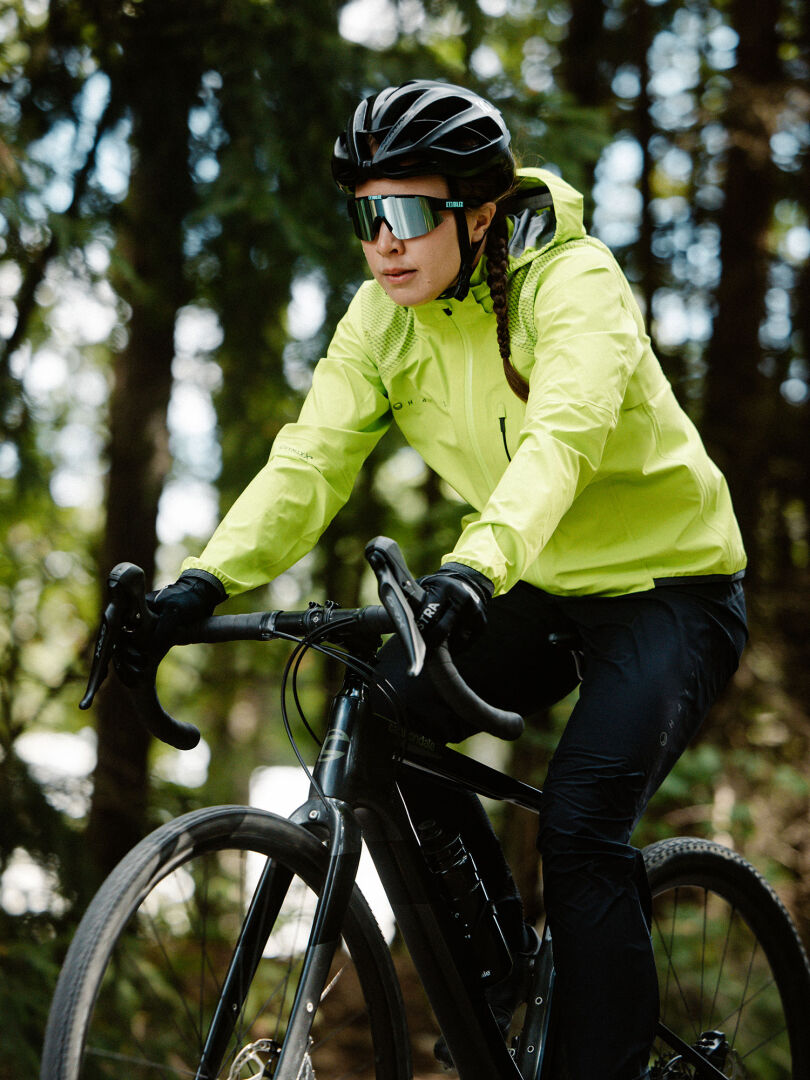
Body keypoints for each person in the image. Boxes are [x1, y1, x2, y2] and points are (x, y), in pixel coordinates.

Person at [129, 80, 748, 1080]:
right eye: (368, 215)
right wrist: (199, 585)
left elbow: (563, 441)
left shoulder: (572, 282)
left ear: (481, 212)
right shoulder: (382, 317)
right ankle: (500, 972)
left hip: (670, 589)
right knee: (386, 711)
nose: (385, 241)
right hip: (536, 584)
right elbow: (311, 462)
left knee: (585, 826)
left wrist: (472, 566)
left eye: (411, 213)